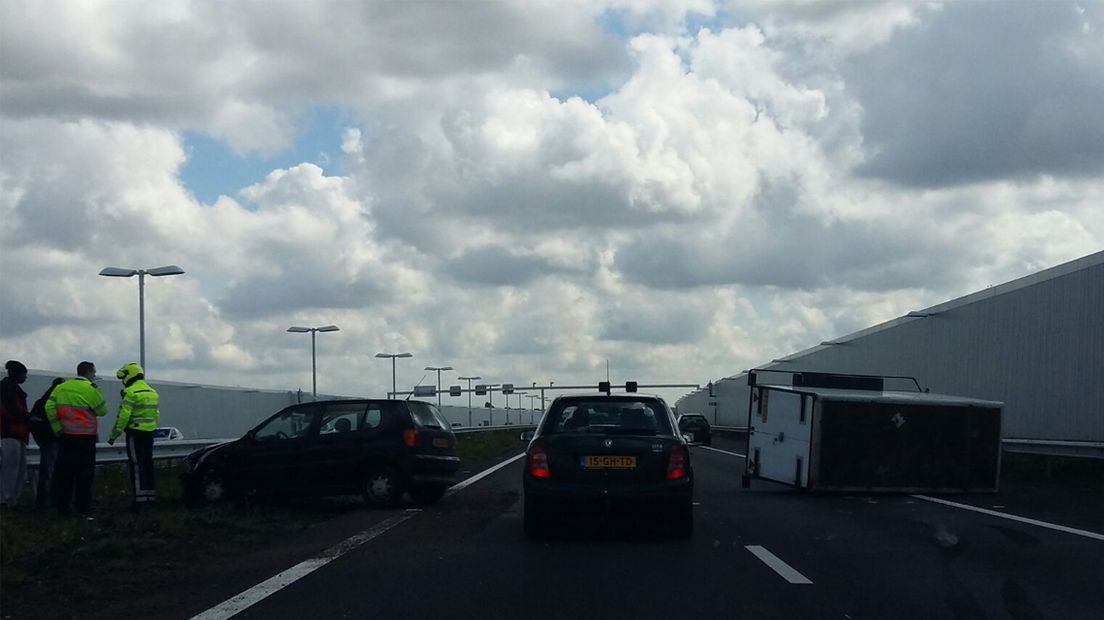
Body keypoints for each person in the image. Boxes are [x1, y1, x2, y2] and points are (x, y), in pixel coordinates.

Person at [46, 361, 107, 517]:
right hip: (86, 438)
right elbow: (102, 411)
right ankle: (82, 508)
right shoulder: (90, 389)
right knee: (85, 474)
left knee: (64, 474)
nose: (94, 375)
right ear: (88, 372)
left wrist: (57, 428)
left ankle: (62, 508)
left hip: (66, 437)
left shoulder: (61, 387)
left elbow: (49, 407)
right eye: (94, 372)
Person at [109, 363, 159, 511]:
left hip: (135, 433)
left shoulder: (130, 392)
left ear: (129, 375)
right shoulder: (152, 392)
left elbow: (123, 416)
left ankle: (139, 500)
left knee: (137, 466)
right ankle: (150, 497)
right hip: (149, 433)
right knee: (148, 464)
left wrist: (114, 435)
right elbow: (156, 415)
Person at [29, 377, 65, 510]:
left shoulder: (41, 401)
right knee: (51, 472)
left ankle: (44, 502)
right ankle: (49, 502)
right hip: (52, 440)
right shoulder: (55, 401)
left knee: (47, 472)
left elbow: (33, 421)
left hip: (46, 440)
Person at [0, 360, 31, 509]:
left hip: (14, 434)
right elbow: (12, 413)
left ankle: (10, 501)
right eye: (24, 374)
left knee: (15, 470)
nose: (26, 377)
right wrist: (28, 418)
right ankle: (7, 501)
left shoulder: (10, 389)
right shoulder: (9, 391)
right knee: (12, 471)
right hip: (11, 434)